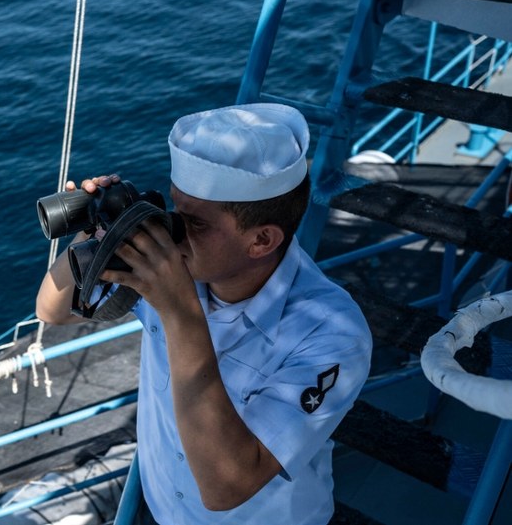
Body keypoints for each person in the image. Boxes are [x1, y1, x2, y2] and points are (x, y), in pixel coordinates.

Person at [35, 103, 372, 524]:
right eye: (174, 209)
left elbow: (225, 487)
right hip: (161, 512)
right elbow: (52, 310)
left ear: (262, 240)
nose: (172, 230)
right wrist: (96, 236)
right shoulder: (185, 267)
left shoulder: (331, 333)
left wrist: (179, 310)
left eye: (194, 223)